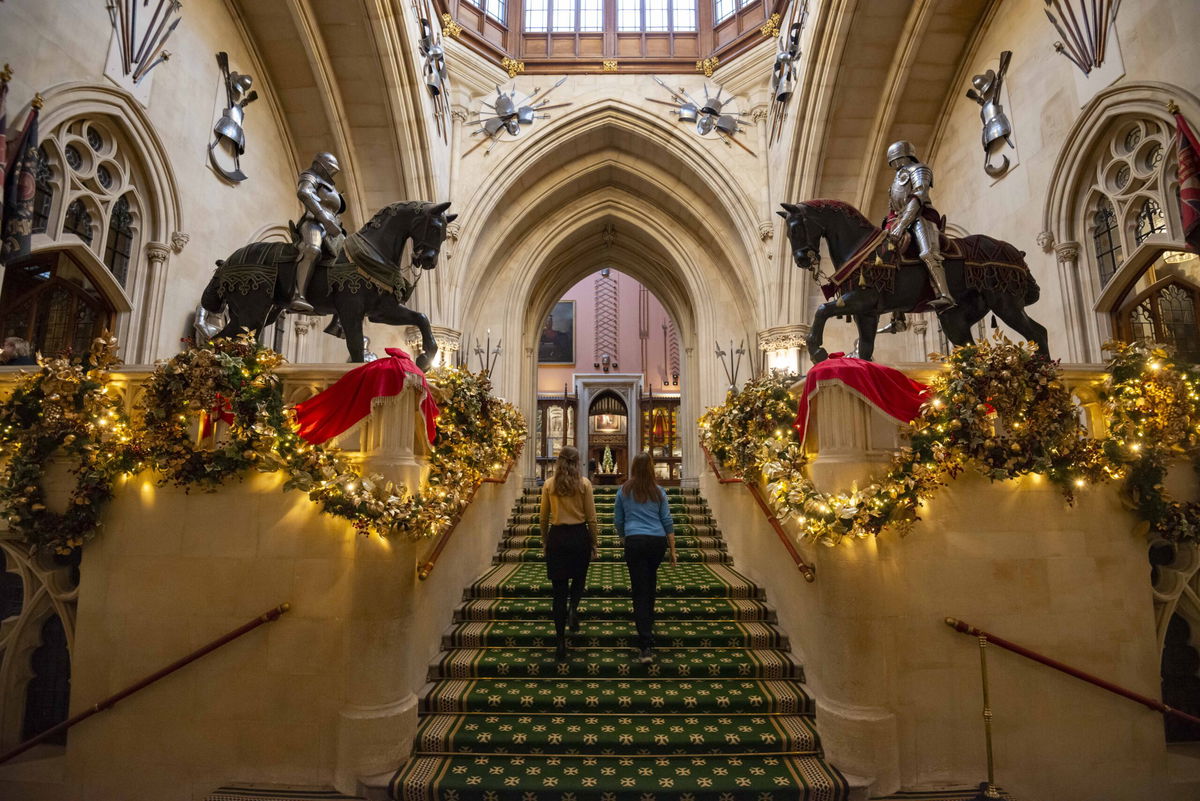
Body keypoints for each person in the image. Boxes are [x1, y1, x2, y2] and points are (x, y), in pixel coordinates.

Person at [614, 452, 676, 665]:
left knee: (639, 588)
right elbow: (667, 521)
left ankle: (645, 642)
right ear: (650, 468)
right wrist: (673, 550)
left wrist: (625, 538)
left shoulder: (624, 490)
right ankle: (648, 621)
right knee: (650, 582)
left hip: (635, 540)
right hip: (657, 541)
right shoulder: (658, 491)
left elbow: (618, 520)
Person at [539, 446, 600, 661]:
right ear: (578, 461)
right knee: (579, 579)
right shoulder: (584, 484)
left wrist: (545, 541)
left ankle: (560, 642)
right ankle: (573, 607)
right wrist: (594, 543)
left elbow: (543, 518)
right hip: (578, 537)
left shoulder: (549, 484)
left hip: (557, 537)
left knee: (558, 593)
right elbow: (591, 517)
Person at [290, 152, 346, 313]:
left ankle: (340, 316)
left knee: (349, 264)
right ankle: (298, 295)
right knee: (312, 249)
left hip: (333, 230)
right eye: (330, 168)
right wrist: (324, 218)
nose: (332, 171)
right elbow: (304, 192)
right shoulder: (310, 175)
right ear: (321, 165)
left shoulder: (332, 188)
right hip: (314, 222)